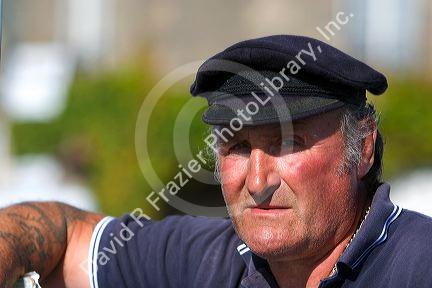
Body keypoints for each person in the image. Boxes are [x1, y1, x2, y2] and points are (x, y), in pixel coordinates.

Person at [0, 35, 431, 288]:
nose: (258, 180)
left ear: (364, 147)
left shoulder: (418, 264)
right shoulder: (206, 259)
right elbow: (68, 236)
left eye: (286, 143)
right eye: (238, 146)